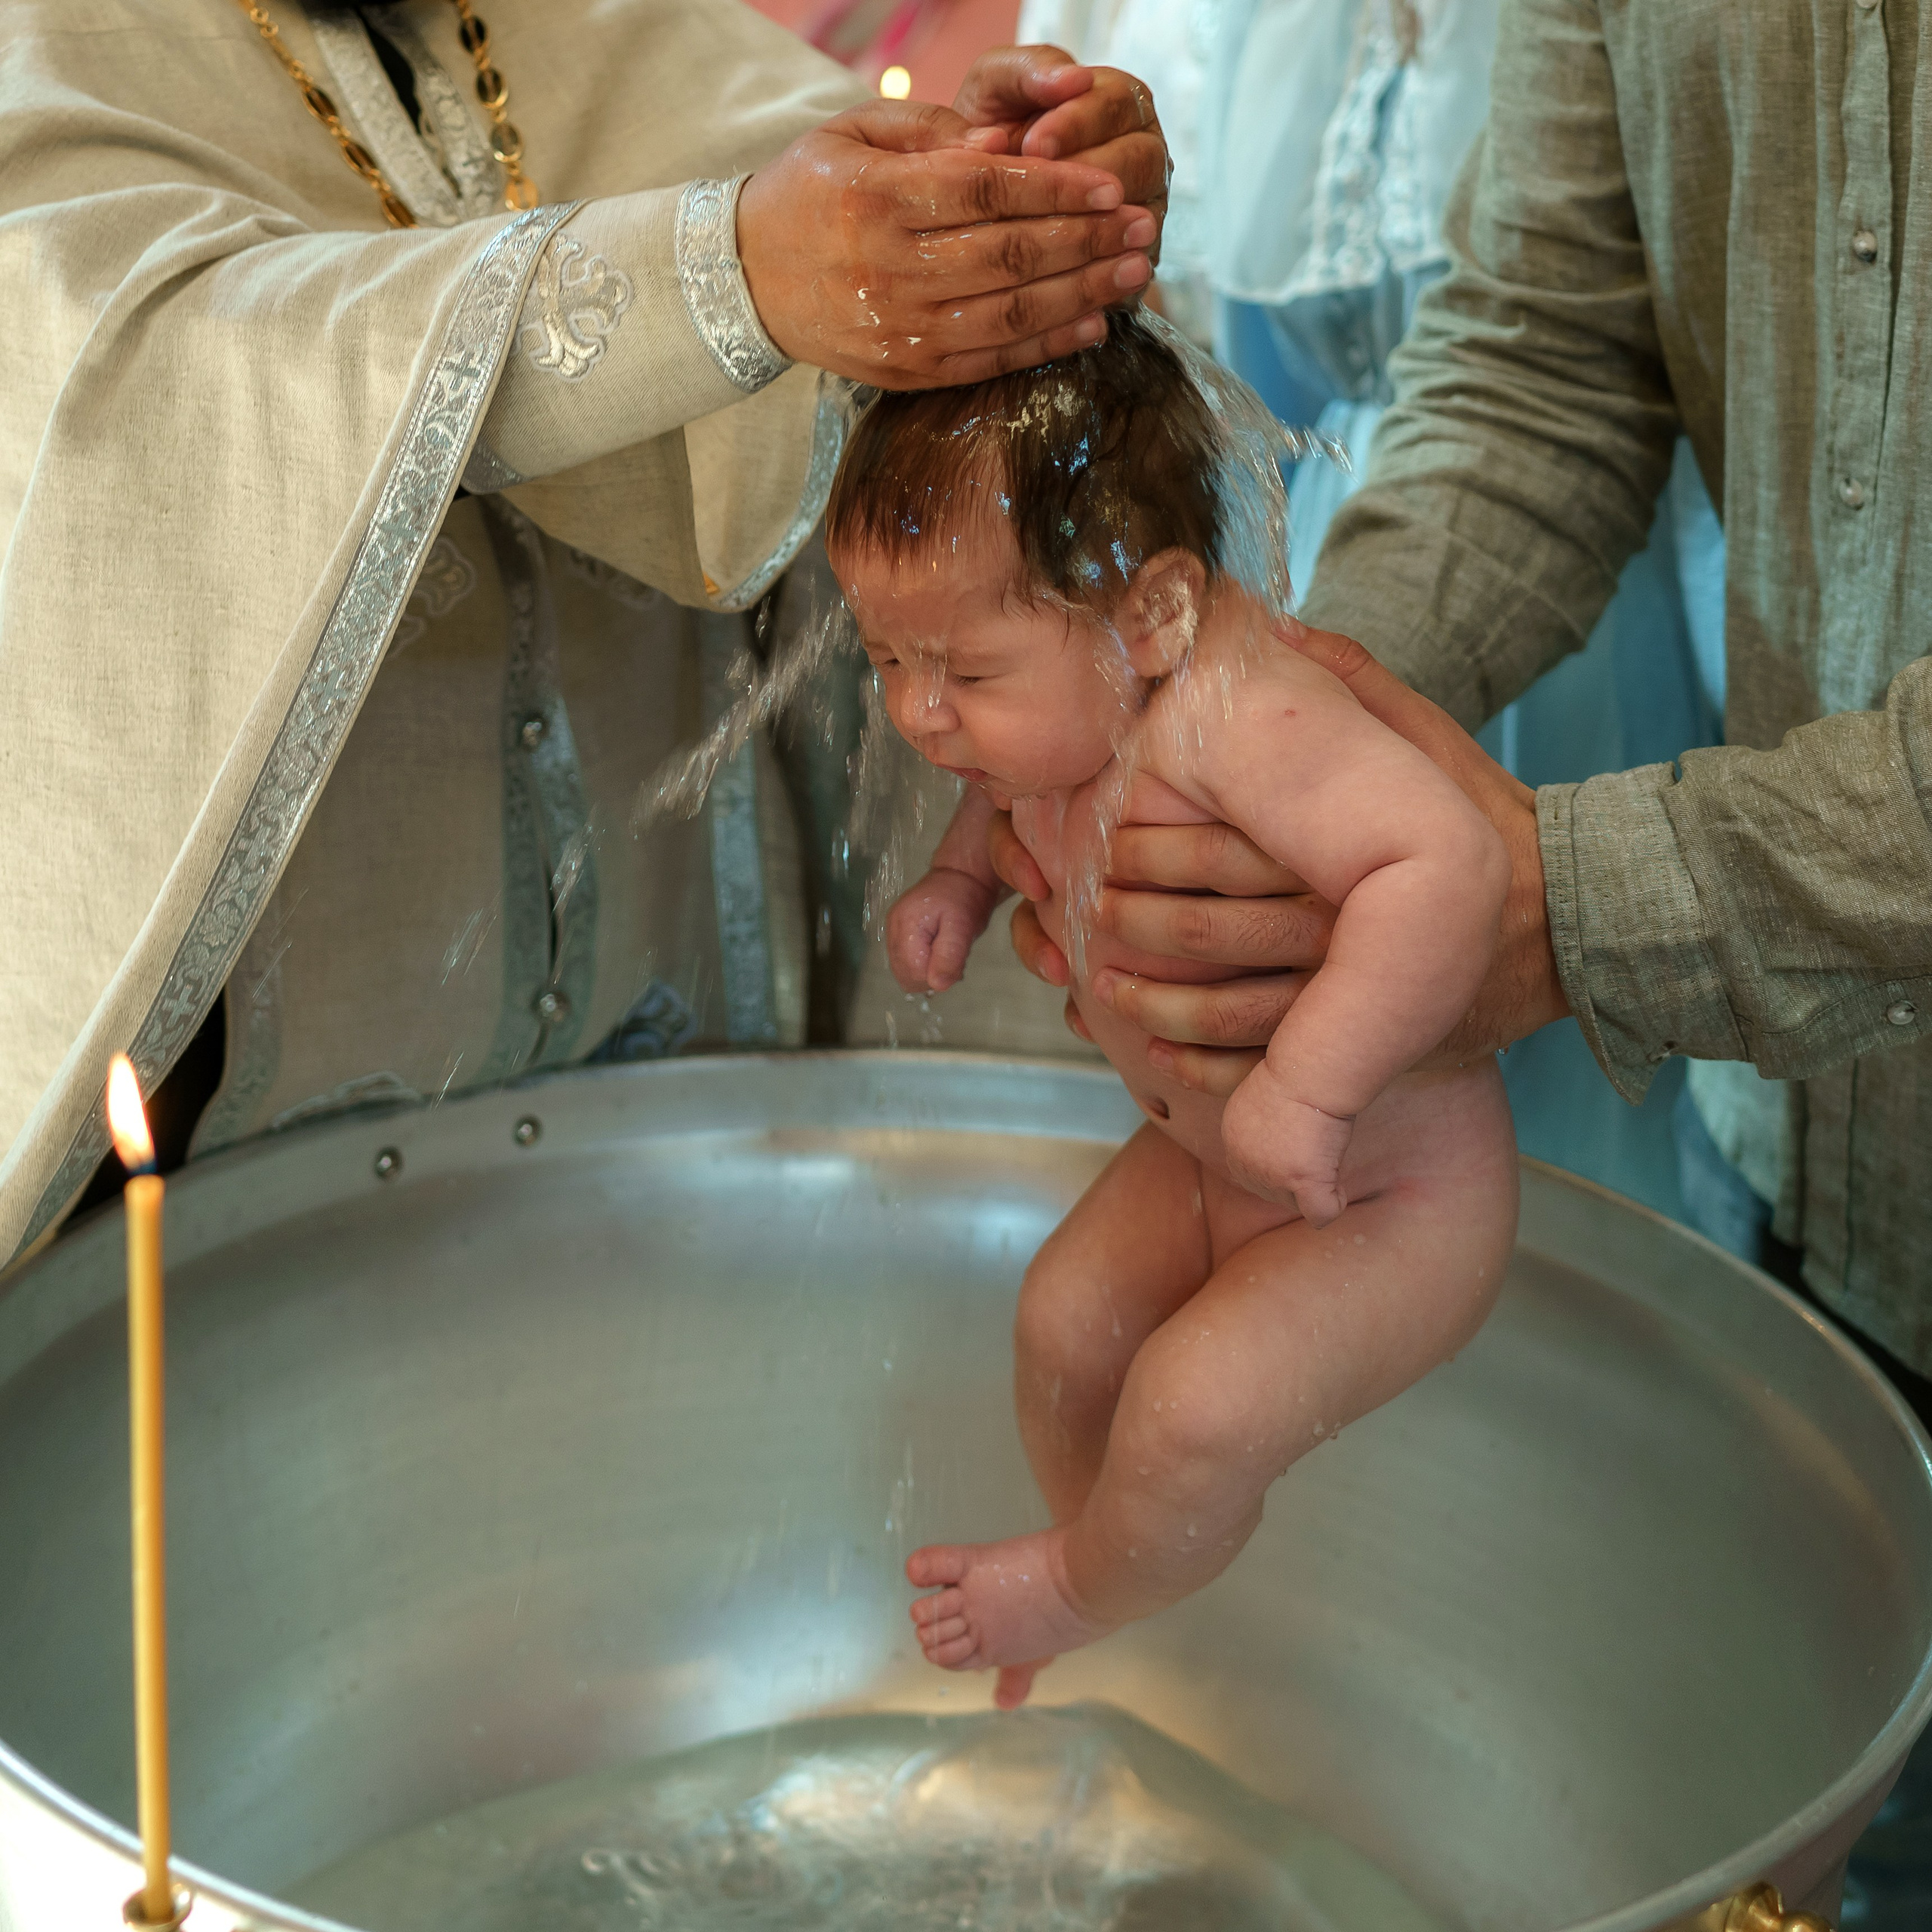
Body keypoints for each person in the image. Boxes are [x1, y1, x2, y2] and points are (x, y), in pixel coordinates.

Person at [0, 0, 1173, 1266]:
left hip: (683, 1052)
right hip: (258, 1130)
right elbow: (141, 364)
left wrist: (1007, 204)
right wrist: (727, 275)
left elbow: (804, 190)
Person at [826, 312, 1517, 1709]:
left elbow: (1447, 862)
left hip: (1380, 1197)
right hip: (1207, 1154)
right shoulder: (1077, 682)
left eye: (961, 673)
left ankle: (1087, 1584)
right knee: (1064, 1325)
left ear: (1155, 613)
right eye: (885, 661)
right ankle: (1127, 1557)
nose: (918, 713)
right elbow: (1010, 779)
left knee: (1195, 1405)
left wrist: (1310, 1088)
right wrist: (961, 885)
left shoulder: (1247, 715)